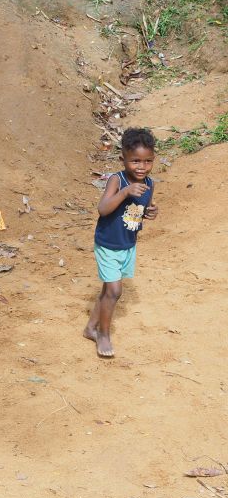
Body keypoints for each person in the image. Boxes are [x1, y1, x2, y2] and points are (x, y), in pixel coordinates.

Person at [84, 127, 159, 358]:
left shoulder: (149, 183)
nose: (141, 167)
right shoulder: (117, 181)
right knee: (115, 291)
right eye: (135, 160)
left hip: (128, 244)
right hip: (108, 245)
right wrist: (125, 192)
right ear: (123, 159)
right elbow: (103, 208)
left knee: (108, 289)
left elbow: (138, 210)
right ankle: (103, 335)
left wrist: (150, 211)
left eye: (147, 161)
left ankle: (89, 328)